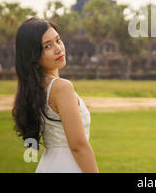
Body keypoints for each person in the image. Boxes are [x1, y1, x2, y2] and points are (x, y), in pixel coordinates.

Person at [12, 17, 99, 173]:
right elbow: (78, 146)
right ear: (34, 55)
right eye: (47, 46)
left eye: (58, 40)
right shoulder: (61, 87)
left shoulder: (35, 88)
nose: (58, 49)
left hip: (49, 165)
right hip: (69, 166)